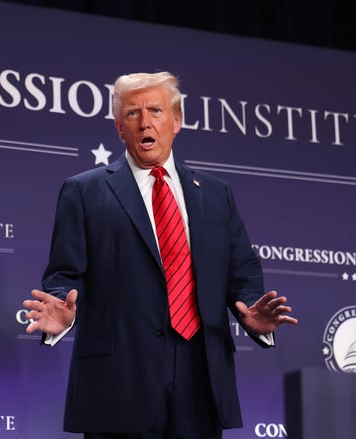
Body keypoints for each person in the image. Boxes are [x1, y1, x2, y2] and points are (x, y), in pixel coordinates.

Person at [23, 71, 297, 439]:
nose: (145, 122)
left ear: (177, 121)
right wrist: (62, 311)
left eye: (155, 110)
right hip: (119, 378)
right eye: (133, 114)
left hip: (200, 377)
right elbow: (64, 273)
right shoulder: (84, 190)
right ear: (120, 128)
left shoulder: (216, 193)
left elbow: (241, 271)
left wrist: (251, 314)